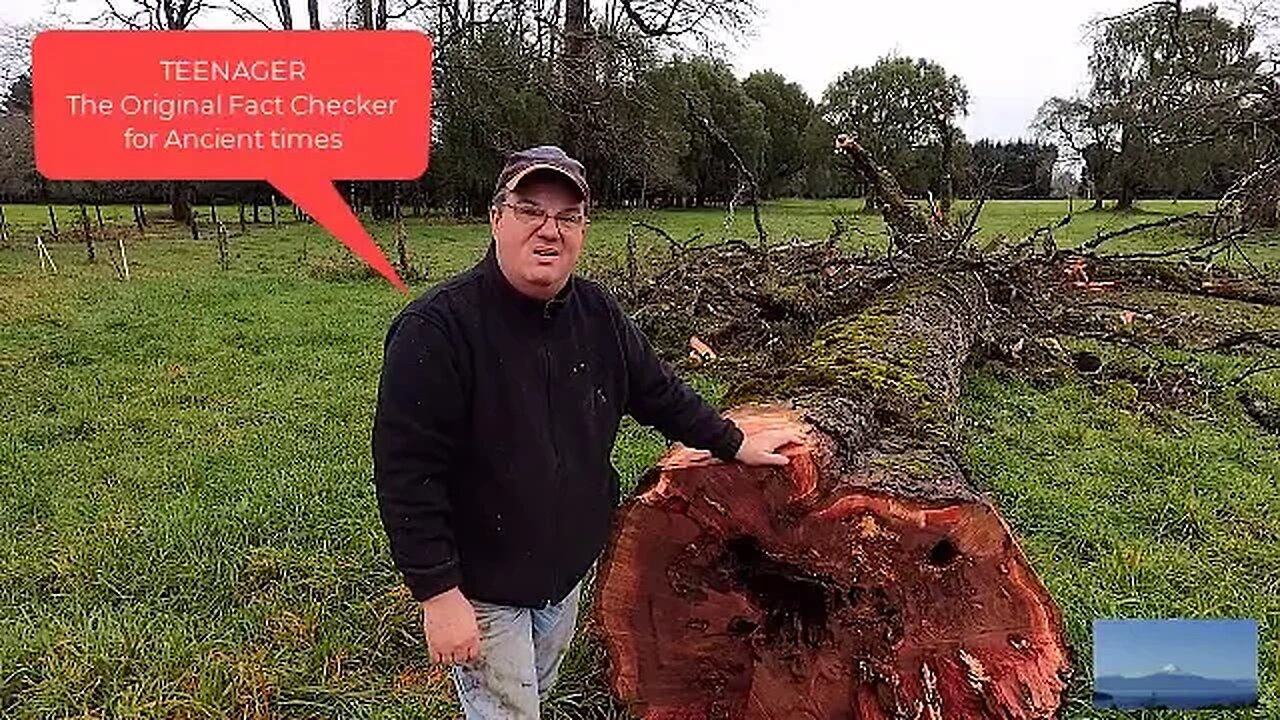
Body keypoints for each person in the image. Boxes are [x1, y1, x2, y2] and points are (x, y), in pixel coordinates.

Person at [372, 145, 801, 719]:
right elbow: (408, 473)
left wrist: (731, 441)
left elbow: (658, 392)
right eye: (530, 211)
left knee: (535, 692)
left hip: (565, 572)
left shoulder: (596, 314)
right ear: (497, 217)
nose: (549, 231)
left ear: (582, 229)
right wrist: (438, 594)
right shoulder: (437, 330)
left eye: (567, 217)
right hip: (483, 583)